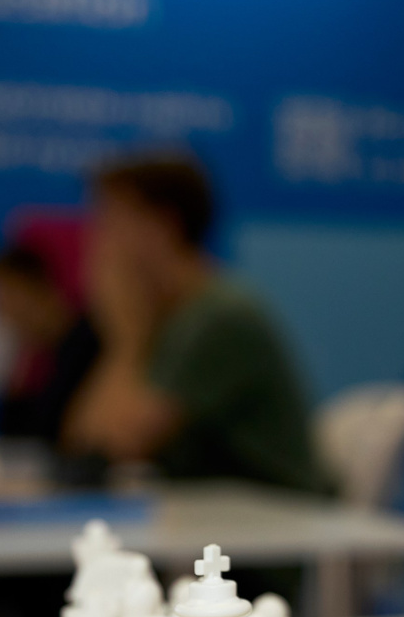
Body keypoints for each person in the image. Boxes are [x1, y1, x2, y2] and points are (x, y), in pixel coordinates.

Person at [64, 156, 327, 494]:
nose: (98, 241)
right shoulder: (170, 313)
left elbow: (115, 446)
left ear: (162, 226)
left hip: (281, 515)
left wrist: (125, 342)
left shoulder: (220, 317)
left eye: (111, 221)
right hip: (222, 514)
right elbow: (80, 444)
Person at [0, 242, 100, 447]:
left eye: (4, 297)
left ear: (33, 288)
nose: (1, 313)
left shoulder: (86, 345)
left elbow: (47, 435)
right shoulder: (44, 354)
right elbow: (12, 437)